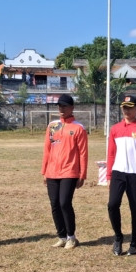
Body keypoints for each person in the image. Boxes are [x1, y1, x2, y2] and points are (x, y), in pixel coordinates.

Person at [107, 95, 136, 256]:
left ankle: (134, 242)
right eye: (124, 107)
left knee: (135, 209)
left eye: (130, 107)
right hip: (118, 172)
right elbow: (111, 153)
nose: (127, 110)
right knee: (112, 205)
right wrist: (109, 175)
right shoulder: (115, 129)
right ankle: (118, 237)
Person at [42, 94, 88, 249]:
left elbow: (83, 152)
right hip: (52, 171)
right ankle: (61, 236)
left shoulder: (78, 128)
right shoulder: (52, 126)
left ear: (72, 108)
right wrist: (44, 171)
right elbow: (47, 150)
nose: (61, 109)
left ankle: (71, 237)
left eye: (65, 106)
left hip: (69, 171)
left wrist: (82, 174)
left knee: (64, 203)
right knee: (54, 204)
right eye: (59, 106)